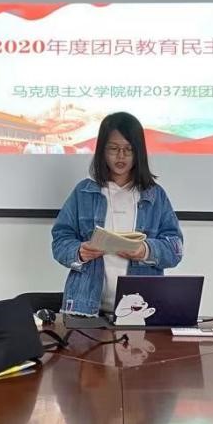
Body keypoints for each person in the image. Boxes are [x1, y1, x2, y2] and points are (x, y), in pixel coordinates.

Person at [50, 111, 184, 317]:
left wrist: (145, 250)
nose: (121, 156)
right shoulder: (84, 192)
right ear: (102, 151)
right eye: (113, 148)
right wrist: (79, 251)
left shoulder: (154, 195)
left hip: (140, 308)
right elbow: (60, 240)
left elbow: (175, 249)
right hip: (85, 307)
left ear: (139, 153)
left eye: (128, 149)